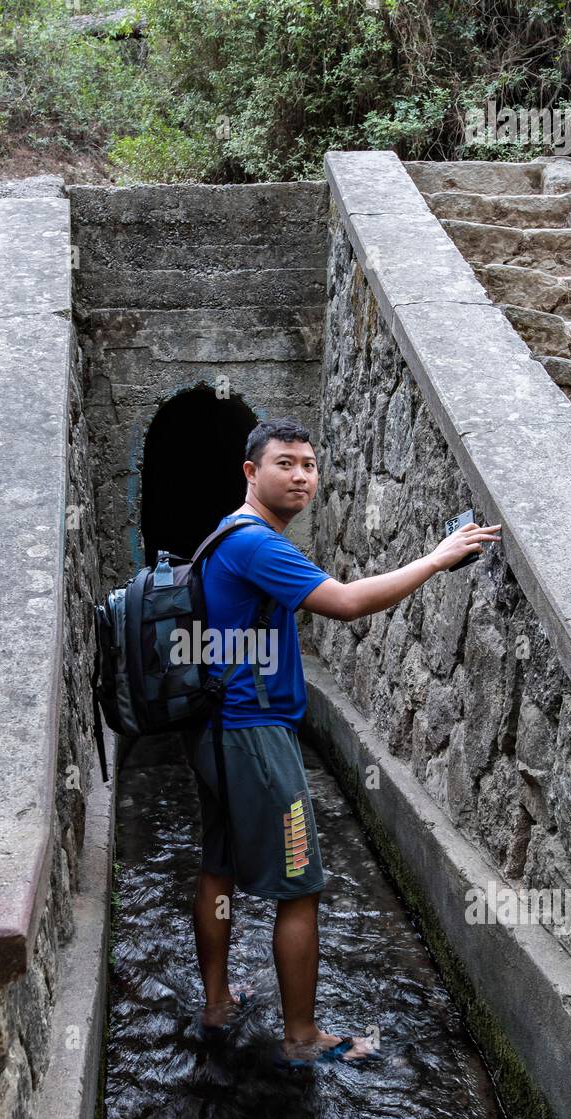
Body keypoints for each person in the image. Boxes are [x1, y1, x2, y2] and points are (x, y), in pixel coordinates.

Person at [181, 418, 502, 1066]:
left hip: (212, 731)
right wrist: (437, 559)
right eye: (285, 464)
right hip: (257, 740)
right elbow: (348, 602)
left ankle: (216, 1006)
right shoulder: (259, 545)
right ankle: (302, 1038)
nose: (301, 475)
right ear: (252, 472)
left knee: (218, 866)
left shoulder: (224, 532)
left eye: (309, 464)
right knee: (299, 886)